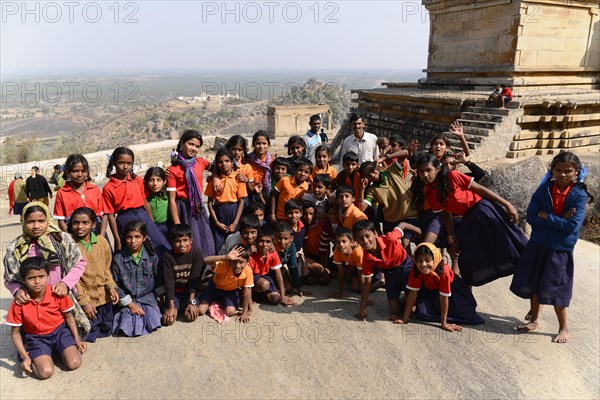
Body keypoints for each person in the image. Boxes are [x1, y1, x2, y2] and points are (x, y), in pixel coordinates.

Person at [510, 152, 593, 343]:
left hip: (560, 248)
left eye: (568, 171)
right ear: (552, 171)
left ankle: (564, 328)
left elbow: (572, 226)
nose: (563, 175)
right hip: (539, 242)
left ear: (576, 172)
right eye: (559, 170)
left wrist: (546, 217)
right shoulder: (544, 190)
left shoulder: (579, 195)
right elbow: (531, 216)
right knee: (535, 280)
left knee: (556, 288)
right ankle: (535, 320)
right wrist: (561, 219)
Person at [411, 153, 528, 286]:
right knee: (469, 261)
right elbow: (445, 215)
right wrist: (451, 239)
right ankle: (464, 298)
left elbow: (481, 189)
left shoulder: (452, 176)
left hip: (484, 211)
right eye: (421, 171)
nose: (425, 175)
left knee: (510, 243)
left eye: (428, 170)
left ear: (437, 169)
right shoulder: (430, 193)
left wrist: (507, 204)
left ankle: (530, 274)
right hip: (468, 221)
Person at [4, 202, 90, 337]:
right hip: (33, 300)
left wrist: (65, 283)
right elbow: (9, 277)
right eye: (31, 221)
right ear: (23, 222)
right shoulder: (16, 247)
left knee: (68, 336)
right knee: (36, 339)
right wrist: (17, 289)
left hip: (60, 295)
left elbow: (79, 263)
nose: (36, 226)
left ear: (48, 219)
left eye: (41, 221)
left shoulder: (61, 239)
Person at [6, 257, 87, 380]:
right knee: (45, 372)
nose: (37, 281)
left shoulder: (57, 293)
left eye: (41, 276)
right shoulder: (19, 302)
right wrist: (24, 356)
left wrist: (77, 339)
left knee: (74, 362)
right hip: (36, 337)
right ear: (24, 280)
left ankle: (52, 351)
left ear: (48, 276)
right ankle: (39, 355)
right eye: (31, 278)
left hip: (60, 332)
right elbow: (15, 333)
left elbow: (69, 318)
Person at [395, 243, 484, 330]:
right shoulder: (416, 269)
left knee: (465, 314)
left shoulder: (444, 272)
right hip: (430, 290)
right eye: (419, 260)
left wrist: (444, 323)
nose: (423, 264)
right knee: (422, 314)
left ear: (435, 259)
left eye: (427, 260)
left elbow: (444, 297)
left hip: (452, 292)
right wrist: (405, 319)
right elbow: (413, 292)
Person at [69, 207, 119, 342]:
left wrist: (111, 286)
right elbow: (72, 279)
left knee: (108, 328)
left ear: (94, 224)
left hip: (105, 298)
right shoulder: (69, 246)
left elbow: (106, 267)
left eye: (85, 223)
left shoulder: (102, 242)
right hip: (87, 299)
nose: (80, 227)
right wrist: (84, 301)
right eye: (75, 223)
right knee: (90, 332)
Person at [111, 221, 165, 337]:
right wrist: (130, 304)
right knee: (127, 322)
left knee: (153, 318)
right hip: (128, 299)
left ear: (144, 237)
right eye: (129, 237)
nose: (133, 241)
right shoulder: (118, 259)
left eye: (137, 237)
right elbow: (115, 284)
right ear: (124, 238)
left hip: (148, 297)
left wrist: (160, 297)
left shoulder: (152, 257)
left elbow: (159, 279)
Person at [353, 220, 413, 321]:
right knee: (394, 311)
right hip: (389, 273)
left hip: (406, 267)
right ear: (356, 240)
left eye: (367, 236)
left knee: (413, 308)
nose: (365, 241)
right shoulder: (367, 256)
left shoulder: (390, 238)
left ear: (375, 233)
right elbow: (367, 282)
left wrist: (419, 230)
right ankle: (406, 298)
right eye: (360, 238)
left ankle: (410, 297)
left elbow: (402, 225)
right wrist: (362, 308)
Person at [365, 140, 420, 235]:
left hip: (409, 214)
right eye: (369, 176)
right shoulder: (372, 190)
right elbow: (363, 207)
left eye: (373, 172)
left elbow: (405, 153)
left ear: (378, 168)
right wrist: (362, 189)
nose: (373, 176)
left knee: (405, 242)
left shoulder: (392, 170)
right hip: (391, 220)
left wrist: (384, 158)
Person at [206, 149, 247, 252]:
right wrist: (216, 222)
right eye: (220, 162)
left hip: (234, 211)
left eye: (227, 161)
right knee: (218, 244)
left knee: (235, 244)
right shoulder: (214, 181)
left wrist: (235, 223)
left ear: (232, 162)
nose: (224, 164)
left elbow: (241, 201)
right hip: (218, 212)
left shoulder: (238, 178)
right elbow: (210, 202)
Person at [54, 154, 107, 235]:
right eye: (75, 171)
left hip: (97, 233)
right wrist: (72, 238)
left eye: (83, 171)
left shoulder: (94, 189)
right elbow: (61, 221)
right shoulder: (62, 193)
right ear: (68, 172)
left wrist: (102, 236)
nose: (80, 174)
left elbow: (103, 215)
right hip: (75, 234)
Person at [162, 224, 204, 326]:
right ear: (172, 242)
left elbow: (194, 279)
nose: (182, 244)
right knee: (169, 320)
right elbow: (169, 282)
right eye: (178, 241)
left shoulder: (196, 253)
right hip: (174, 294)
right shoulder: (168, 256)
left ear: (191, 240)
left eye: (185, 240)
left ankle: (184, 306)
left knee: (191, 316)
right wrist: (171, 306)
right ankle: (177, 307)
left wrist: (191, 302)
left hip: (189, 293)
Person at [201, 245, 254, 323]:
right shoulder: (224, 264)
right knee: (201, 311)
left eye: (241, 262)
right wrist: (226, 257)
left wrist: (244, 312)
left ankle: (219, 301)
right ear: (230, 261)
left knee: (230, 312)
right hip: (214, 288)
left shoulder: (248, 271)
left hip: (230, 291)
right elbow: (205, 260)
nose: (237, 266)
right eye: (234, 262)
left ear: (248, 262)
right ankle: (210, 298)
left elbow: (247, 291)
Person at [250, 226, 296, 306]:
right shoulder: (252, 254)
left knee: (276, 299)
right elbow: (248, 277)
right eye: (261, 241)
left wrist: (283, 297)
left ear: (272, 243)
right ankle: (251, 295)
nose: (264, 245)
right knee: (265, 284)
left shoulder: (273, 253)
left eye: (268, 242)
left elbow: (278, 276)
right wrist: (248, 299)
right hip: (252, 277)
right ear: (256, 242)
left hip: (264, 277)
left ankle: (260, 295)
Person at [328, 227, 364, 298]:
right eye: (338, 242)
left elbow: (361, 275)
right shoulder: (337, 251)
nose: (341, 245)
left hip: (367, 267)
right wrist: (340, 293)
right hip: (353, 266)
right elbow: (340, 272)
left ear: (352, 242)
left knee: (355, 288)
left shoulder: (358, 253)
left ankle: (381, 281)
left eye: (344, 241)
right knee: (347, 277)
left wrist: (365, 297)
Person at [275, 221, 302, 296]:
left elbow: (293, 266)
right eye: (279, 238)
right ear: (275, 236)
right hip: (270, 272)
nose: (282, 242)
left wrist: (298, 287)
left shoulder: (292, 246)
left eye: (286, 238)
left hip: (280, 270)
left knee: (289, 289)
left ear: (291, 238)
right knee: (280, 293)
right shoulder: (272, 248)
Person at [247, 130, 273, 204]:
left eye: (264, 143)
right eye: (258, 143)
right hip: (251, 195)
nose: (261, 146)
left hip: (268, 195)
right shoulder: (247, 160)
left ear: (268, 145)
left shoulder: (272, 161)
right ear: (253, 144)